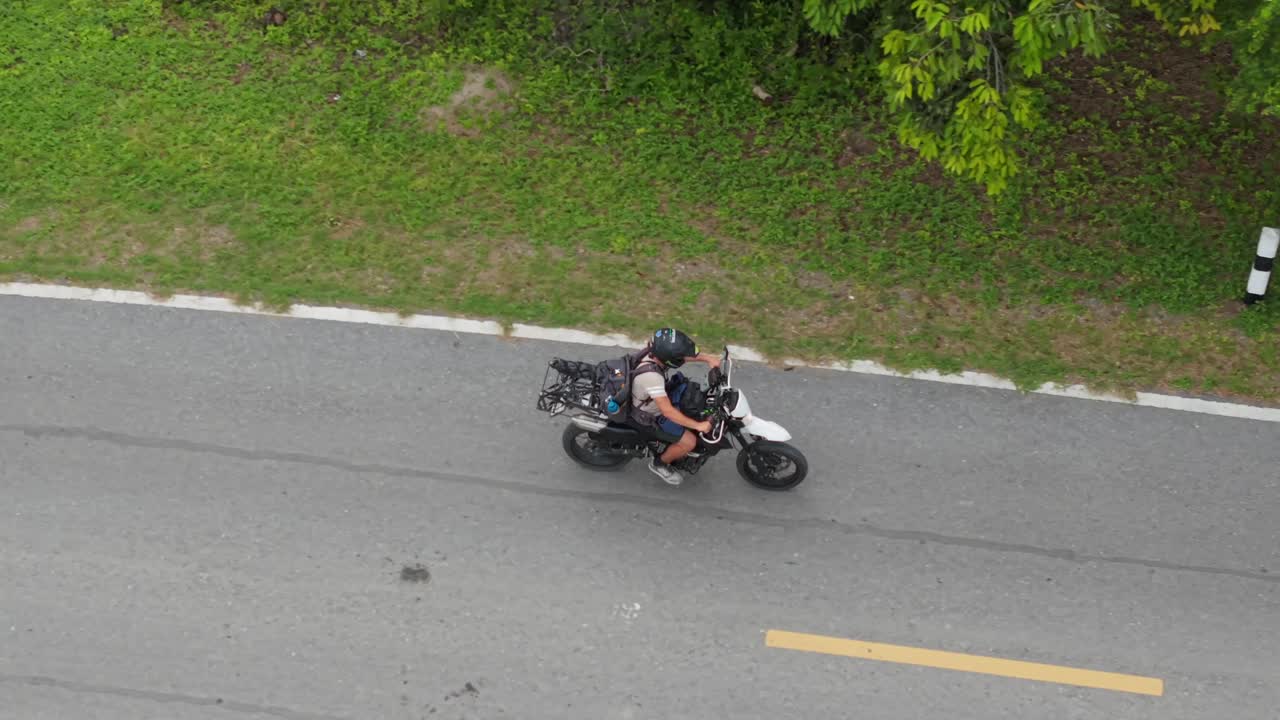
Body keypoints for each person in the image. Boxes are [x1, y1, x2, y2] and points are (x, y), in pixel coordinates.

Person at [629, 328, 721, 486]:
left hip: (655, 397)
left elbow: (680, 356)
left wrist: (708, 358)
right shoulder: (652, 378)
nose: (681, 358)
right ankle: (659, 464)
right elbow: (668, 412)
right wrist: (699, 425)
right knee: (689, 441)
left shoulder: (654, 351)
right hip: (650, 414)